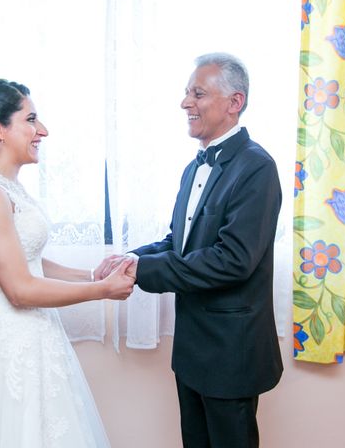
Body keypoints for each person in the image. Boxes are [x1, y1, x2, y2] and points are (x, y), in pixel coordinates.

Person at [0, 79, 135, 447]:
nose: (43, 131)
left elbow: (27, 259)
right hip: (4, 344)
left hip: (34, 336)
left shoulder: (6, 186)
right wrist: (101, 290)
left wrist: (91, 273)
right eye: (31, 120)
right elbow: (19, 288)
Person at [96, 53, 283, 447]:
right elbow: (177, 244)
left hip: (232, 353)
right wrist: (130, 258)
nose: (185, 103)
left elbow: (232, 261)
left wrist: (142, 272)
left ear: (235, 102)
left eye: (197, 93)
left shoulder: (257, 168)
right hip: (193, 352)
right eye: (186, 93)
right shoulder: (192, 168)